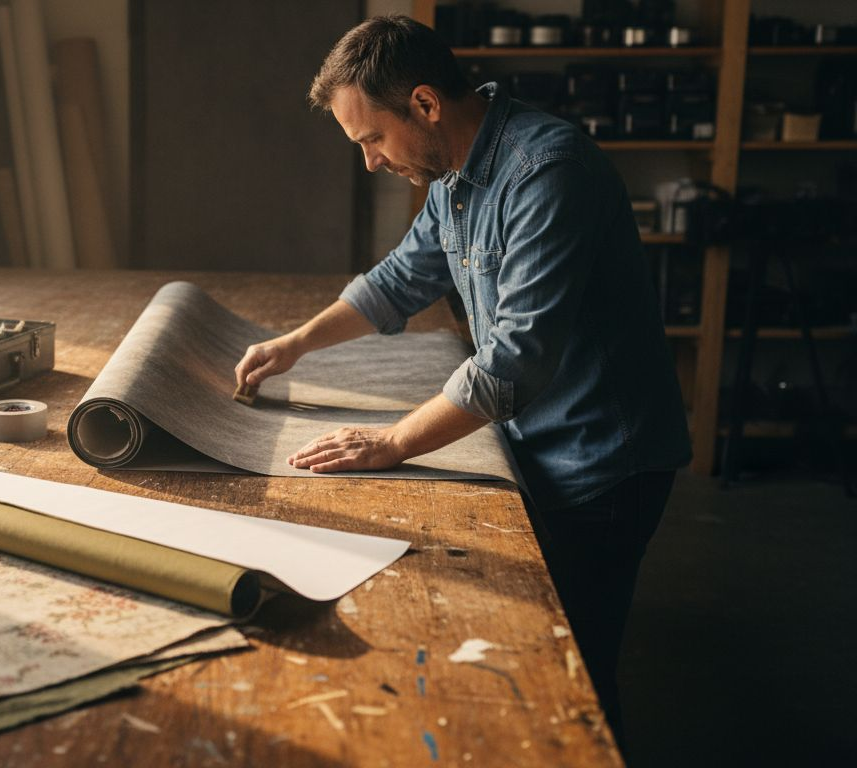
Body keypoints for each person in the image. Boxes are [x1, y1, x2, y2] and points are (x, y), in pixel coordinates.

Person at [234, 15, 691, 744]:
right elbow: (399, 281)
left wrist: (390, 443)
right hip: (536, 440)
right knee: (534, 646)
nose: (372, 163)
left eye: (372, 140)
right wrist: (296, 345)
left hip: (603, 461)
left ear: (424, 104)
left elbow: (513, 363)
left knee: (569, 673)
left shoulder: (548, 172)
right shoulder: (451, 173)